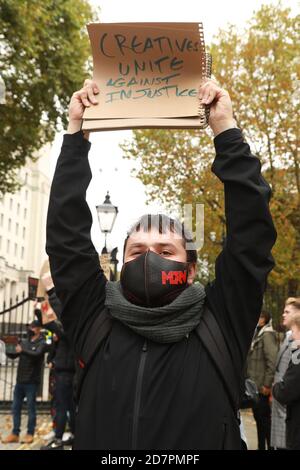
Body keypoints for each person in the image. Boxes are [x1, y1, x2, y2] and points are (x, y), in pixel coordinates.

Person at [46, 78, 277, 450]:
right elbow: (65, 237)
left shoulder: (222, 319)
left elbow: (251, 236)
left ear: (190, 269)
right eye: (137, 251)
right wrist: (77, 136)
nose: (150, 259)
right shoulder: (94, 315)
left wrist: (226, 130)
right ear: (122, 264)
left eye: (166, 251)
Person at [2, 320, 47, 444]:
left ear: (38, 329)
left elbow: (37, 354)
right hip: (20, 381)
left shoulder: (42, 343)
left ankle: (29, 433)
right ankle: (15, 433)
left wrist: (22, 350)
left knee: (31, 409)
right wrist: (7, 347)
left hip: (31, 382)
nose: (30, 329)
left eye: (32, 327)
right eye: (29, 327)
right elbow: (14, 355)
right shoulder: (25, 342)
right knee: (15, 407)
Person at [246, 311, 278, 450]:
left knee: (265, 422)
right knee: (259, 420)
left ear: (264, 320)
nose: (257, 319)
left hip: (262, 387)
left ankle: (270, 447)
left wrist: (267, 384)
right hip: (256, 386)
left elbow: (272, 361)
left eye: (259, 317)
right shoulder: (258, 334)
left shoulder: (267, 335)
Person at [271, 298, 298, 449]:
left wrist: (279, 389)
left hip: (287, 404)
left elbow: (294, 371)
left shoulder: (296, 340)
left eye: (287, 312)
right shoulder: (289, 336)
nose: (283, 314)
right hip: (280, 401)